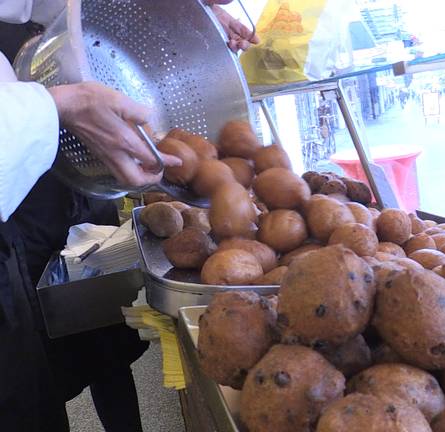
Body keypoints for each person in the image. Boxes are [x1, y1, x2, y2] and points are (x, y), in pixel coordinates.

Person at [0, 1, 257, 430]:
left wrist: (179, 12)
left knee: (100, 338)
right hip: (21, 184)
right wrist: (53, 107)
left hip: (61, 163)